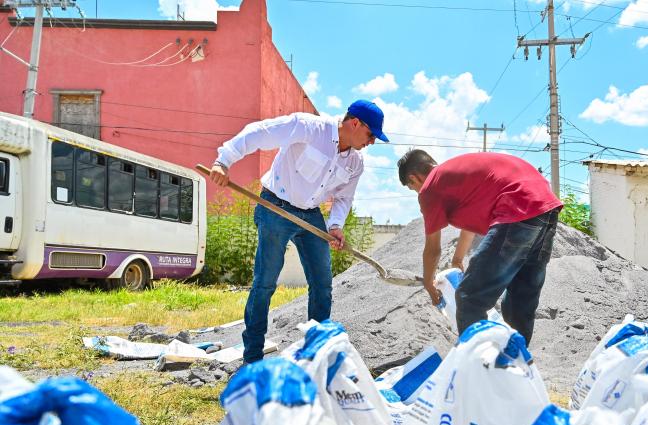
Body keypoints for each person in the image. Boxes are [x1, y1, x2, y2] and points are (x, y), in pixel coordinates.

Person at [208, 100, 388, 363]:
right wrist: (224, 161)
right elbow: (260, 132)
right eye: (371, 134)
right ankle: (253, 358)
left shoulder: (355, 163)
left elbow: (343, 199)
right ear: (355, 123)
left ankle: (316, 355)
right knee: (265, 282)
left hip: (311, 214)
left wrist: (335, 225)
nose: (371, 142)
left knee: (322, 284)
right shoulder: (308, 127)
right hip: (275, 205)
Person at [398, 150, 563, 345]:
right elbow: (468, 229)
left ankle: (479, 365)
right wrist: (457, 260)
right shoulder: (454, 178)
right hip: (545, 205)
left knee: (470, 298)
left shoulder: (430, 187)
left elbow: (433, 248)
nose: (417, 192)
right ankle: (516, 365)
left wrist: (428, 282)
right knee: (520, 300)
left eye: (412, 188)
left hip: (516, 206)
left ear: (414, 177)